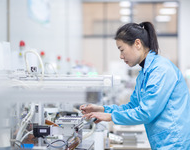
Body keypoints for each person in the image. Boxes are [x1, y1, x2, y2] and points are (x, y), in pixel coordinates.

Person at [80, 21, 190, 149]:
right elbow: (134, 106)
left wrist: (110, 116)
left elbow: (146, 113)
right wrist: (103, 109)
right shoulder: (144, 73)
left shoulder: (161, 70)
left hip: (175, 143)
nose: (121, 56)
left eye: (122, 50)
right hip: (163, 142)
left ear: (137, 43)